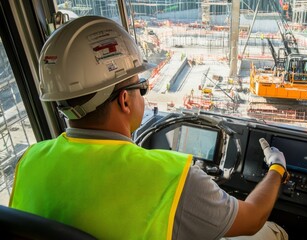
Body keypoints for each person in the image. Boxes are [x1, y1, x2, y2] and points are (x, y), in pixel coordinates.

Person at [9, 16, 290, 240]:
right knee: (272, 231)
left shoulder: (29, 161)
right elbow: (252, 218)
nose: (144, 94)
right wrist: (276, 169)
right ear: (124, 100)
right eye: (141, 87)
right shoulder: (172, 178)